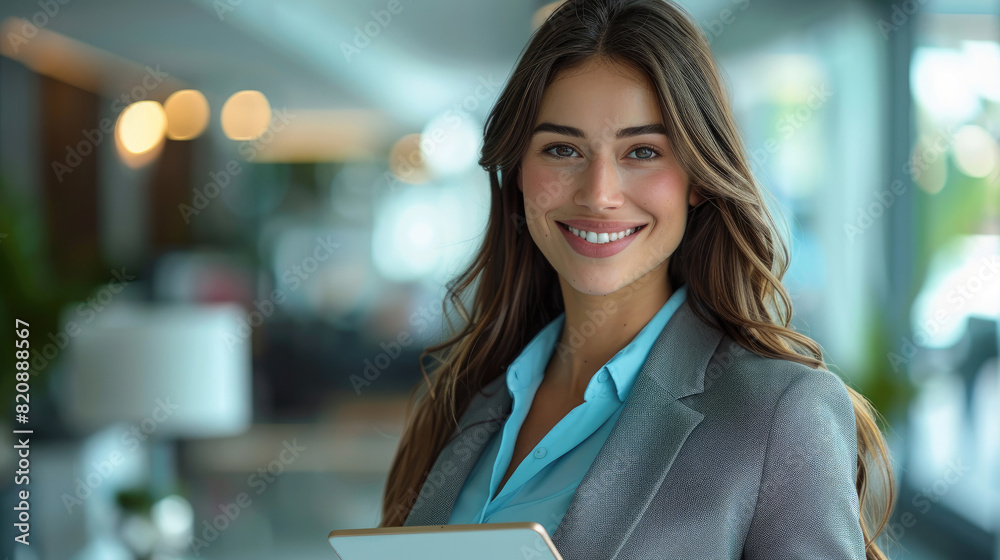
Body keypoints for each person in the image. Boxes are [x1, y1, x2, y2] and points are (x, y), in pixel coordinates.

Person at [379, 0, 895, 558]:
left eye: (643, 151)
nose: (599, 193)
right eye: (562, 149)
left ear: (698, 178)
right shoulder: (462, 396)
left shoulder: (780, 413)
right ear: (519, 175)